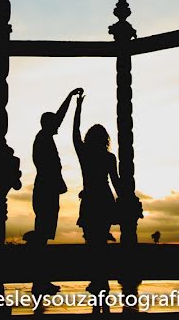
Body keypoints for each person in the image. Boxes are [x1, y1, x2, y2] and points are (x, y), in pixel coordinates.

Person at [30, 87, 83, 296]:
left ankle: (40, 281)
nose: (58, 127)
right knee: (41, 238)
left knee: (42, 237)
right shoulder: (43, 139)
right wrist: (57, 182)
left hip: (47, 190)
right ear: (48, 124)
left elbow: (59, 117)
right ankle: (39, 282)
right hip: (45, 191)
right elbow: (47, 167)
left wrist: (69, 96)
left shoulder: (44, 138)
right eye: (55, 125)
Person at [72, 91, 120, 309]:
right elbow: (116, 182)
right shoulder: (109, 157)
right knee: (100, 242)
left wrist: (78, 107)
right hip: (105, 200)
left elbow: (75, 133)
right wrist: (124, 199)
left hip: (91, 200)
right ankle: (101, 281)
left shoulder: (85, 154)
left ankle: (98, 280)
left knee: (92, 243)